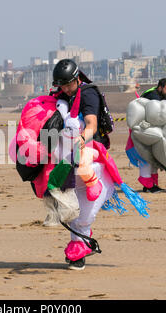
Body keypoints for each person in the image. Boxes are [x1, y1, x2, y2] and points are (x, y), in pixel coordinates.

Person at [51, 59, 116, 270]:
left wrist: (82, 138)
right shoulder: (60, 98)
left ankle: (78, 251)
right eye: (62, 85)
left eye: (69, 84)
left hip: (93, 160)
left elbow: (91, 124)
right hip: (67, 161)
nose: (66, 89)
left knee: (84, 214)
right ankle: (80, 246)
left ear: (77, 79)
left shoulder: (88, 94)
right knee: (73, 211)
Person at [126, 78, 166, 193]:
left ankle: (152, 184)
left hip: (152, 130)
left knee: (153, 158)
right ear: (160, 87)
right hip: (142, 129)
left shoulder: (164, 94)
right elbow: (157, 110)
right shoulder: (152, 95)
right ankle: (148, 184)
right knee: (145, 157)